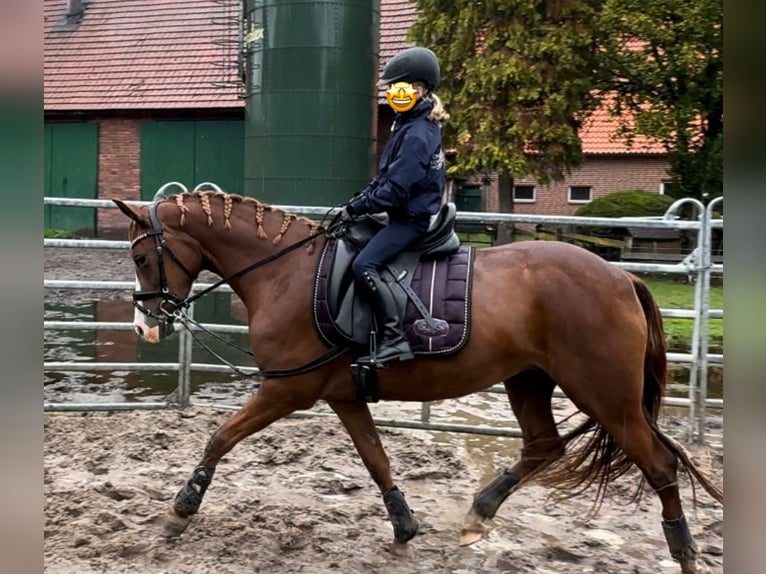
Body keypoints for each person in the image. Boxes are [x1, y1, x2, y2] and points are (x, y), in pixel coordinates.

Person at [343, 46, 449, 365]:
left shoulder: (418, 133)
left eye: (396, 87)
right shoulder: (406, 124)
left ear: (417, 88)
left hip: (410, 220)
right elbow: (385, 177)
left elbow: (396, 190)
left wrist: (359, 207)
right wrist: (357, 201)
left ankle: (394, 338)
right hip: (399, 214)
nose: (391, 92)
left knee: (365, 265)